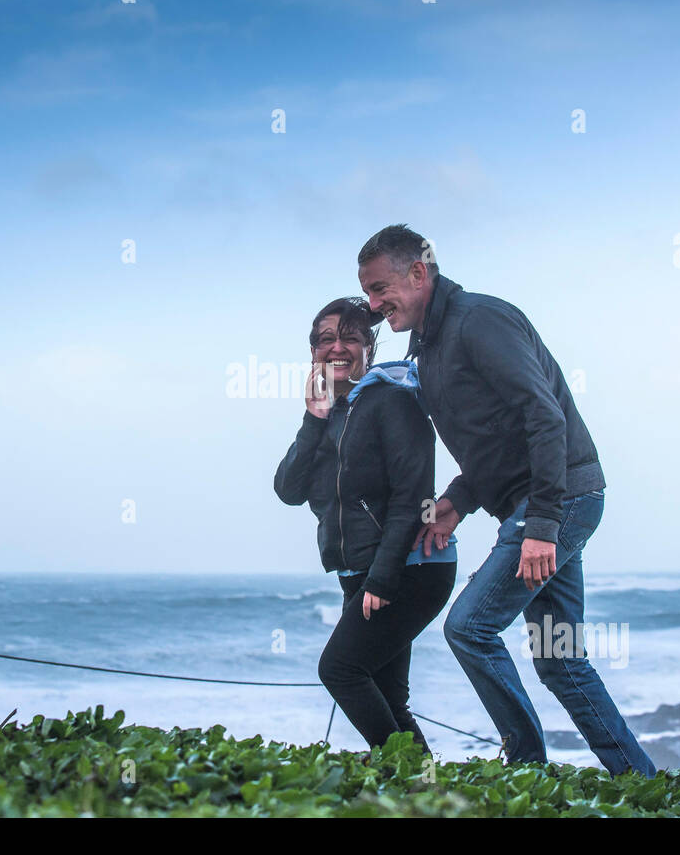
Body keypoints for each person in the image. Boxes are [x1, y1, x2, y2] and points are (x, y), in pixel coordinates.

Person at [356, 224, 657, 777]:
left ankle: (526, 767)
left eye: (380, 289)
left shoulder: (479, 320)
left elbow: (543, 417)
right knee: (561, 661)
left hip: (557, 500)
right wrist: (457, 501)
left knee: (468, 627)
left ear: (418, 273)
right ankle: (639, 781)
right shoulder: (429, 346)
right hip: (550, 501)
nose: (375, 306)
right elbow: (497, 441)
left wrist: (541, 523)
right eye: (369, 294)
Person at [274, 297, 457, 752]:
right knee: (389, 695)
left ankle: (413, 781)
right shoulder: (332, 415)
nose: (337, 347)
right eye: (326, 340)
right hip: (361, 571)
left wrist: (382, 578)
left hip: (409, 568)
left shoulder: (393, 401)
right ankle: (425, 795)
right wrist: (312, 418)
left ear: (369, 349)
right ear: (313, 352)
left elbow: (410, 499)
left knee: (339, 670)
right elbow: (288, 489)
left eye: (351, 337)